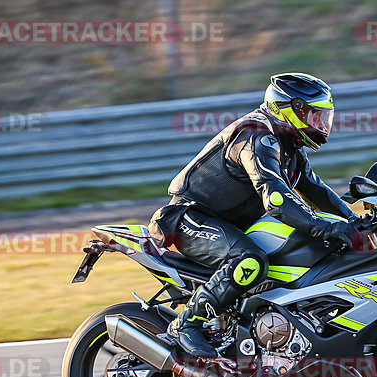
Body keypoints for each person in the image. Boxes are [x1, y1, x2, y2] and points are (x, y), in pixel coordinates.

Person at [149, 73, 358, 360]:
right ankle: (186, 324)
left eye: (323, 116)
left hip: (228, 224)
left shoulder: (289, 147)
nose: (319, 124)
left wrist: (353, 222)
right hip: (187, 219)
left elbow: (317, 191)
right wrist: (326, 226)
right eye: (312, 115)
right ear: (288, 109)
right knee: (250, 260)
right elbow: (276, 199)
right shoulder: (256, 135)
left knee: (303, 250)